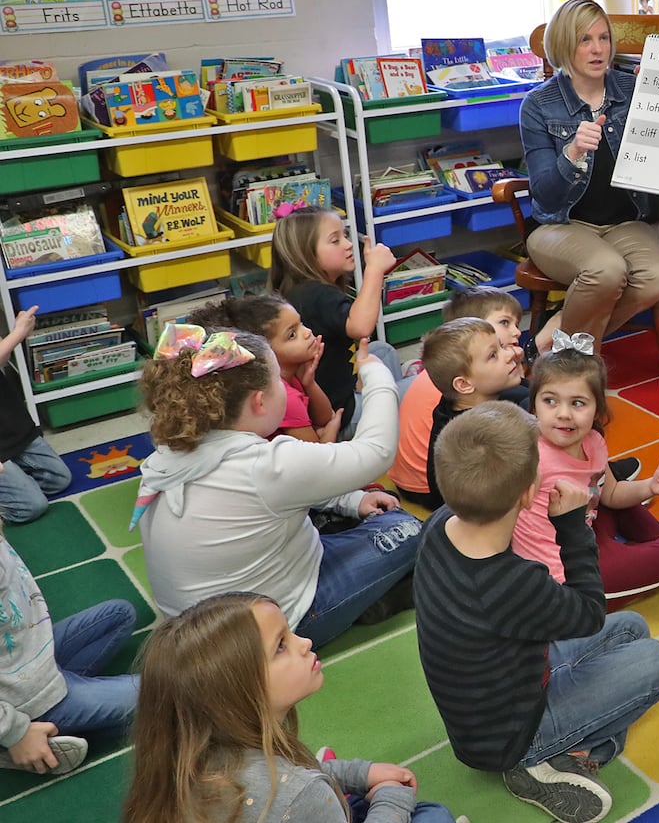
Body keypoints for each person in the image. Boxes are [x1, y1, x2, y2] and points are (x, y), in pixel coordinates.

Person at [415, 401, 659, 823]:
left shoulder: (440, 525)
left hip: (491, 700)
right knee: (654, 663)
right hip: (511, 734)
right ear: (528, 493)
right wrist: (572, 526)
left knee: (631, 629)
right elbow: (589, 612)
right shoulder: (513, 583)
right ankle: (542, 760)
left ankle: (576, 748)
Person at [135, 323, 422, 649]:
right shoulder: (262, 464)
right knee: (408, 527)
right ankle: (367, 603)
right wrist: (376, 374)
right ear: (259, 402)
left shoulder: (173, 448)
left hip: (195, 626)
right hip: (273, 630)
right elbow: (377, 452)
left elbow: (278, 489)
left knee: (344, 521)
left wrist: (348, 500)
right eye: (280, 382)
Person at [120, 592, 460, 823]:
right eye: (281, 646)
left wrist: (357, 774)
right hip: (303, 803)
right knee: (431, 815)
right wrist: (390, 798)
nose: (305, 642)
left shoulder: (193, 747)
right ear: (238, 689)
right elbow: (292, 794)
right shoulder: (298, 794)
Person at [515, 343, 659, 608]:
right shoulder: (532, 459)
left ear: (597, 410)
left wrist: (649, 487)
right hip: (565, 577)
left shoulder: (593, 441)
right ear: (534, 407)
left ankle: (653, 555)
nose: (563, 413)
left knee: (614, 502)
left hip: (583, 534)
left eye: (577, 403)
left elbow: (610, 494)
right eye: (550, 401)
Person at [518, 0, 659, 351]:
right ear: (563, 45)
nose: (597, 49)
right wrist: (572, 152)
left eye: (603, 38)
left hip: (626, 223)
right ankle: (574, 364)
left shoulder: (631, 90)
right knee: (606, 270)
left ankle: (558, 334)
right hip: (561, 225)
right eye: (584, 40)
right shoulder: (538, 105)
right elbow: (544, 193)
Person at [0, 519, 138, 776]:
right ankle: (34, 736)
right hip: (24, 698)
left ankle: (53, 721)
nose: (5, 475)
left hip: (32, 657)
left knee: (120, 615)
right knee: (168, 695)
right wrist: (14, 731)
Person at [270, 206, 407, 437]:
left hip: (338, 391)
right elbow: (361, 327)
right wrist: (374, 270)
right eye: (335, 240)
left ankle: (391, 428)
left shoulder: (301, 288)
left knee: (383, 351)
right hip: (341, 415)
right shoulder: (316, 294)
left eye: (344, 235)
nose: (348, 244)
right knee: (428, 386)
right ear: (307, 254)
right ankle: (384, 426)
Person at [391, 288, 529, 503]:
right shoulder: (469, 421)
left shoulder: (449, 373)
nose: (517, 332)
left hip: (416, 477)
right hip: (430, 490)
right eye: (504, 322)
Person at [189, 294, 342, 443]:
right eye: (292, 335)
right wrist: (331, 434)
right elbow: (315, 460)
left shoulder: (289, 377)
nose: (308, 332)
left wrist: (309, 383)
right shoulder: (286, 398)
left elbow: (324, 418)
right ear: (267, 350)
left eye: (301, 323)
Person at [421, 317, 524, 509]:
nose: (509, 354)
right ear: (464, 384)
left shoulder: (461, 402)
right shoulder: (474, 435)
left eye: (502, 346)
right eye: (493, 355)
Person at [0, 306, 72, 523]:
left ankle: (15, 477)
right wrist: (18, 334)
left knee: (59, 480)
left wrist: (15, 335)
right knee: (32, 506)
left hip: (10, 427)